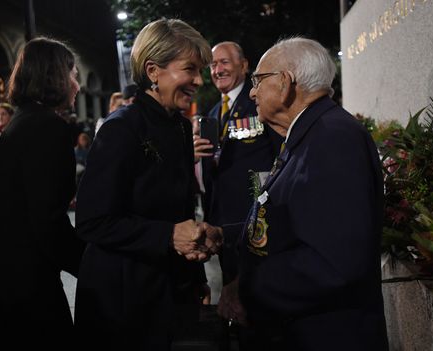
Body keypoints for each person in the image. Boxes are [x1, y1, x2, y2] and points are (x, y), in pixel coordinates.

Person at [218, 37, 388, 350]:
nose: (252, 91)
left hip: (325, 334)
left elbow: (332, 262)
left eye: (258, 80)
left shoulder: (333, 138)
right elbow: (293, 219)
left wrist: (249, 289)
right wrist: (226, 234)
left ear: (284, 83)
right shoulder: (312, 131)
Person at [74, 18, 221, 349]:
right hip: (122, 298)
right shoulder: (120, 129)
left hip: (168, 289)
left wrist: (194, 273)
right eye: (190, 69)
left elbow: (180, 209)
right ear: (153, 71)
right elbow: (91, 221)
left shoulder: (181, 128)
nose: (199, 80)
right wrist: (168, 236)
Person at [0, 37, 85, 347]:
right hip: (30, 285)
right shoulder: (47, 128)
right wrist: (90, 265)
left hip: (8, 277)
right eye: (73, 75)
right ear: (53, 75)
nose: (77, 86)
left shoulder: (23, 121)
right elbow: (48, 220)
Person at [193, 41, 282, 333]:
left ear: (244, 65)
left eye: (224, 63)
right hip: (221, 221)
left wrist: (268, 205)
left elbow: (279, 157)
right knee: (233, 298)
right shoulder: (212, 112)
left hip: (255, 220)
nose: (217, 70)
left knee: (260, 298)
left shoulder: (260, 102)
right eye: (213, 65)